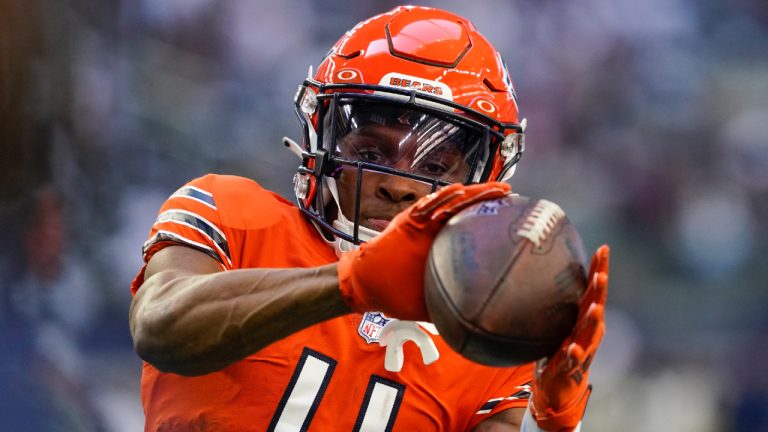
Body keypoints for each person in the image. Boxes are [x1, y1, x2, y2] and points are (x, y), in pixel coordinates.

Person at [129, 5, 610, 431]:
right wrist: (350, 284)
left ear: (488, 177)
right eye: (371, 151)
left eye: (436, 166)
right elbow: (159, 325)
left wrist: (549, 425)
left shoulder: (486, 324)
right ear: (322, 139)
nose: (399, 184)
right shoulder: (235, 213)